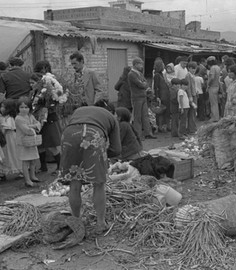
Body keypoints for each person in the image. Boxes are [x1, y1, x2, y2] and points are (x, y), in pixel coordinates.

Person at [60, 105, 122, 234]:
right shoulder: (112, 118)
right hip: (92, 134)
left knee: (74, 182)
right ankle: (100, 223)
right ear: (113, 112)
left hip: (69, 134)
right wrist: (102, 158)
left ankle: (76, 221)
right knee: (98, 184)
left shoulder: (79, 111)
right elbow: (116, 149)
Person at [32, 61, 62, 175]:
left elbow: (57, 97)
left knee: (52, 144)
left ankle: (60, 166)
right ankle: (43, 167)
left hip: (49, 117)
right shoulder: (40, 86)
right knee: (41, 144)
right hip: (41, 117)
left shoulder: (50, 83)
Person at [15, 96, 42, 188]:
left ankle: (33, 176)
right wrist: (33, 126)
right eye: (21, 107)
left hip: (32, 141)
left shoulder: (30, 116)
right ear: (18, 108)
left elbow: (38, 124)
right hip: (24, 142)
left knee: (33, 160)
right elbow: (26, 130)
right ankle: (27, 180)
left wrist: (31, 125)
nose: (24, 109)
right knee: (25, 162)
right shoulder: (18, 118)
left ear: (29, 108)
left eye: (26, 107)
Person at [128, 57, 155, 140]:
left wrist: (144, 84)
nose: (142, 66)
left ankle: (148, 133)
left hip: (143, 97)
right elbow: (141, 84)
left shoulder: (139, 73)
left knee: (145, 116)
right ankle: (138, 135)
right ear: (135, 64)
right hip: (137, 97)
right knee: (138, 117)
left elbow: (145, 82)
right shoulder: (131, 74)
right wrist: (144, 84)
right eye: (140, 64)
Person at [0, 99, 22, 181]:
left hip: (10, 139)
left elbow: (7, 128)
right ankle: (3, 172)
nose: (2, 109)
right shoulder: (2, 117)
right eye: (1, 106)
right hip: (5, 139)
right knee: (4, 155)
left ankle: (20, 170)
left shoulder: (10, 118)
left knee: (13, 154)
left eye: (4, 107)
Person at [153, 59, 170, 133]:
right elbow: (156, 87)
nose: (164, 66)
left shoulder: (161, 74)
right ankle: (160, 126)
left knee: (166, 111)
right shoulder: (157, 75)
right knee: (161, 111)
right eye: (162, 64)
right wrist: (157, 97)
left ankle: (165, 126)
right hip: (162, 96)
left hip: (165, 95)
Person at [185, 61, 198, 134]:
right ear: (189, 68)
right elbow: (188, 87)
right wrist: (190, 96)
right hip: (191, 96)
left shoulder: (193, 75)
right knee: (192, 113)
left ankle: (192, 128)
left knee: (193, 112)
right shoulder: (188, 75)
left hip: (194, 94)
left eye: (195, 68)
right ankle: (191, 129)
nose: (194, 70)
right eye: (192, 68)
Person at [206, 56, 221, 122]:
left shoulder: (212, 68)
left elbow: (212, 77)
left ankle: (214, 118)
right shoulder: (218, 67)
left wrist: (208, 84)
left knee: (213, 103)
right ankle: (216, 116)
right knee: (216, 103)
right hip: (217, 86)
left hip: (212, 87)